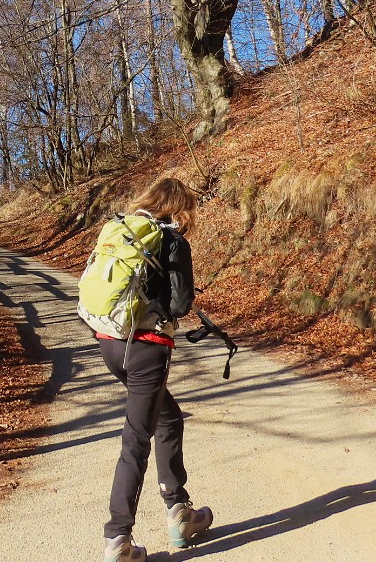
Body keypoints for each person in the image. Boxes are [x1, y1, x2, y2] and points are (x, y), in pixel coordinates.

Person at [95, 177, 213, 562]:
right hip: (146, 349)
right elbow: (179, 306)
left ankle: (180, 511)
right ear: (180, 208)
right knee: (135, 441)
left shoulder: (121, 229)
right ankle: (118, 540)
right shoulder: (173, 240)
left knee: (168, 417)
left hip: (110, 342)